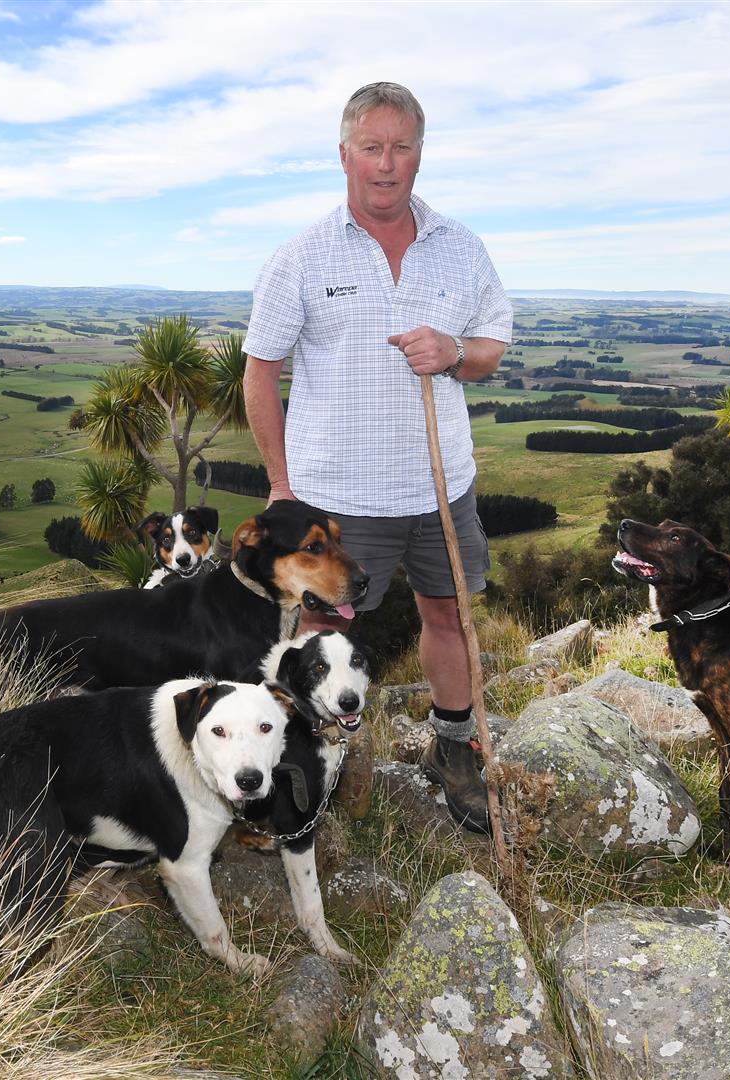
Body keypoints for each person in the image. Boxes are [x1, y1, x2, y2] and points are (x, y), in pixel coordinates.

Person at [243, 81, 512, 833]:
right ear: (344, 155)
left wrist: (455, 351)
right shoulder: (300, 256)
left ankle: (454, 747)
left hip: (439, 483)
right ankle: (292, 767)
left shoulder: (461, 248)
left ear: (419, 154)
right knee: (319, 638)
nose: (386, 164)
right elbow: (259, 370)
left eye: (401, 147)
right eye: (371, 147)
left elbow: (490, 348)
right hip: (337, 497)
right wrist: (280, 487)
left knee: (448, 614)